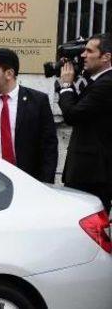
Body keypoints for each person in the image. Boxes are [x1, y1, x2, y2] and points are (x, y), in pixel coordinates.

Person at [0, 48, 58, 183]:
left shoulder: (38, 102)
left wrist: (46, 182)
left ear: (9, 73)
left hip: (29, 181)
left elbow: (49, 147)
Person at [58, 33, 112, 211]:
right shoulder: (94, 81)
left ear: (106, 57)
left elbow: (73, 115)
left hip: (93, 175)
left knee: (90, 228)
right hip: (87, 172)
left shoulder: (106, 84)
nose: (83, 55)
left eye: (89, 51)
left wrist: (66, 86)